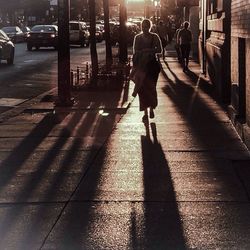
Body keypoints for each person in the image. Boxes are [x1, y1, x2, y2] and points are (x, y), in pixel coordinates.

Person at [131, 19, 162, 122]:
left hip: (152, 67)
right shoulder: (137, 38)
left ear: (149, 27)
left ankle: (152, 108)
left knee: (151, 87)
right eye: (143, 26)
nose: (144, 28)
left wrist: (148, 50)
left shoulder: (154, 37)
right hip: (141, 66)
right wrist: (142, 53)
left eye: (146, 26)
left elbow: (160, 50)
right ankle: (145, 112)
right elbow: (135, 51)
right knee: (142, 89)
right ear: (141, 27)